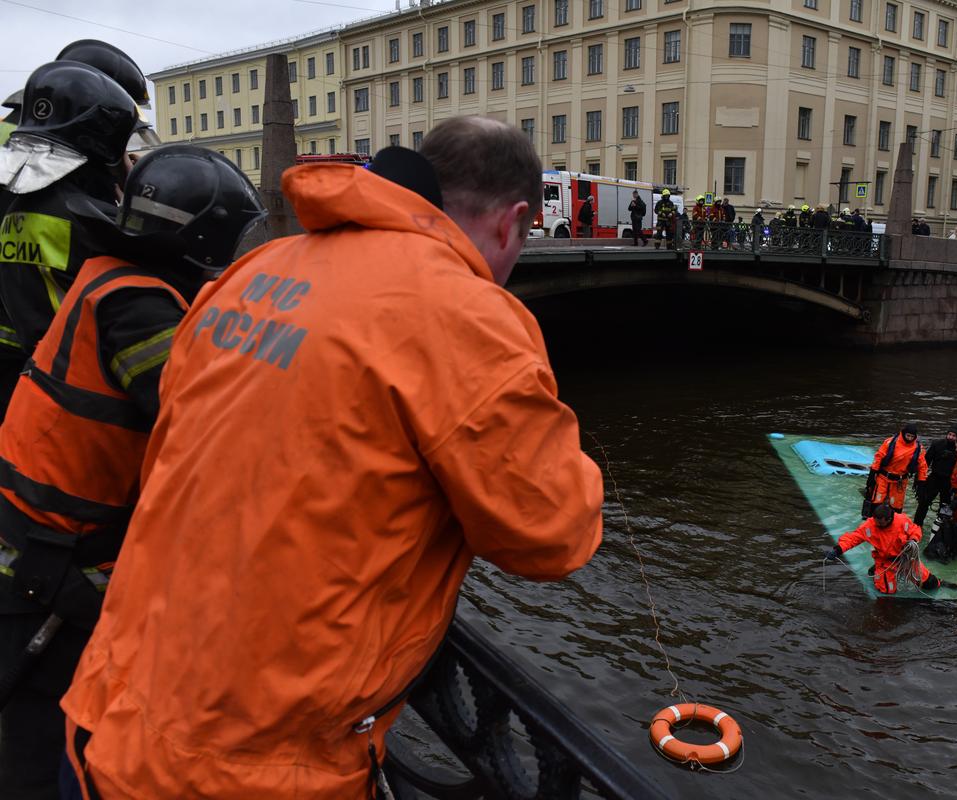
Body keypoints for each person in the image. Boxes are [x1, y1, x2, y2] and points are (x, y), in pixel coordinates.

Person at [62, 117, 605, 799]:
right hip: (246, 773)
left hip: (106, 713)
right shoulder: (464, 312)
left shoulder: (256, 270)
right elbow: (552, 535)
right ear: (514, 220)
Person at [0, 145, 265, 800]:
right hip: (57, 551)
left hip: (31, 526)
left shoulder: (105, 273)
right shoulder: (140, 308)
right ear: (201, 239)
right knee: (43, 721)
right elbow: (203, 422)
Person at [0, 60, 140, 416]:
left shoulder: (19, 205)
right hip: (75, 385)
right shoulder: (90, 220)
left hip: (28, 364)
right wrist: (137, 190)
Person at [824, 504, 957, 594]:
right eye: (875, 521)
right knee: (887, 591)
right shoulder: (869, 525)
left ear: (889, 519)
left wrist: (913, 540)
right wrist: (838, 549)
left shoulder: (902, 521)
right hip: (885, 561)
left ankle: (941, 582)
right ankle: (876, 569)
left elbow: (915, 529)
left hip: (906, 558)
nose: (877, 524)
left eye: (880, 522)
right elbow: (854, 538)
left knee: (929, 584)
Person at [864, 422, 928, 516]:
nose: (909, 438)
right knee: (876, 502)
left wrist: (921, 484)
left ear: (915, 437)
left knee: (896, 507)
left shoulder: (918, 449)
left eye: (912, 436)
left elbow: (923, 467)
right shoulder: (890, 442)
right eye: (908, 435)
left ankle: (894, 525)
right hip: (883, 477)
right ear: (903, 433)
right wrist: (871, 476)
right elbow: (878, 458)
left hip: (900, 481)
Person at [912, 425, 957, 527]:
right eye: (949, 434)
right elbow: (925, 462)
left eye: (954, 436)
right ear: (946, 434)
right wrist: (920, 481)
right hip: (935, 477)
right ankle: (916, 525)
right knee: (923, 503)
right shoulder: (937, 444)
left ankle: (940, 529)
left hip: (949, 482)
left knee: (945, 507)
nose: (951, 437)